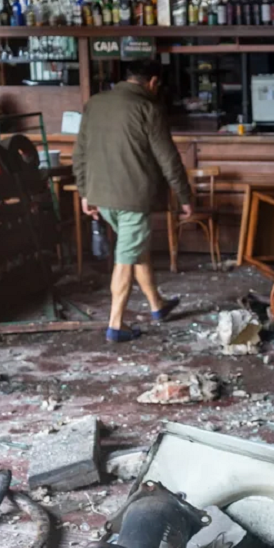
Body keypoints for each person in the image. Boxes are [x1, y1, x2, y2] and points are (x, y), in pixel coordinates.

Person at [73, 60, 193, 343]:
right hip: (132, 199)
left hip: (101, 197)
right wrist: (185, 197)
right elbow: (169, 159)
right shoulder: (148, 109)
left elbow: (80, 153)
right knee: (126, 257)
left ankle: (157, 305)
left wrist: (84, 192)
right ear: (153, 82)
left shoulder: (95, 103)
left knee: (135, 249)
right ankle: (116, 324)